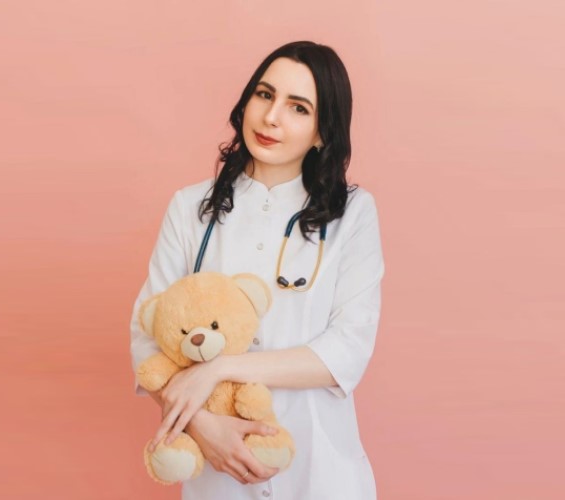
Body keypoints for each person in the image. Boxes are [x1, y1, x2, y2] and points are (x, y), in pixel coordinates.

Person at [130, 40, 384, 499]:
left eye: (298, 108)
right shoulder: (190, 208)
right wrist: (201, 426)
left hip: (319, 472)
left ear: (322, 132)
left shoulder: (352, 214)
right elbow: (147, 336)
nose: (271, 117)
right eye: (265, 95)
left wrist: (220, 369)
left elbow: (347, 351)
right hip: (217, 476)